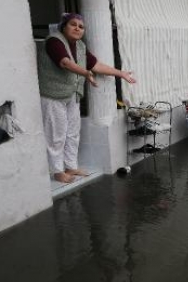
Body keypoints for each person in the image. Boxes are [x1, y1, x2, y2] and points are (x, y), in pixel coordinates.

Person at [37, 13, 136, 183]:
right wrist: (85, 72)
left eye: (81, 26)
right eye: (73, 24)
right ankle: (57, 171)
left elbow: (96, 65)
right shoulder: (54, 41)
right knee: (56, 134)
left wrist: (121, 73)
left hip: (72, 94)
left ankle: (70, 166)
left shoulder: (80, 46)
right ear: (64, 26)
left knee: (73, 132)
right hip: (53, 95)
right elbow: (64, 62)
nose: (77, 28)